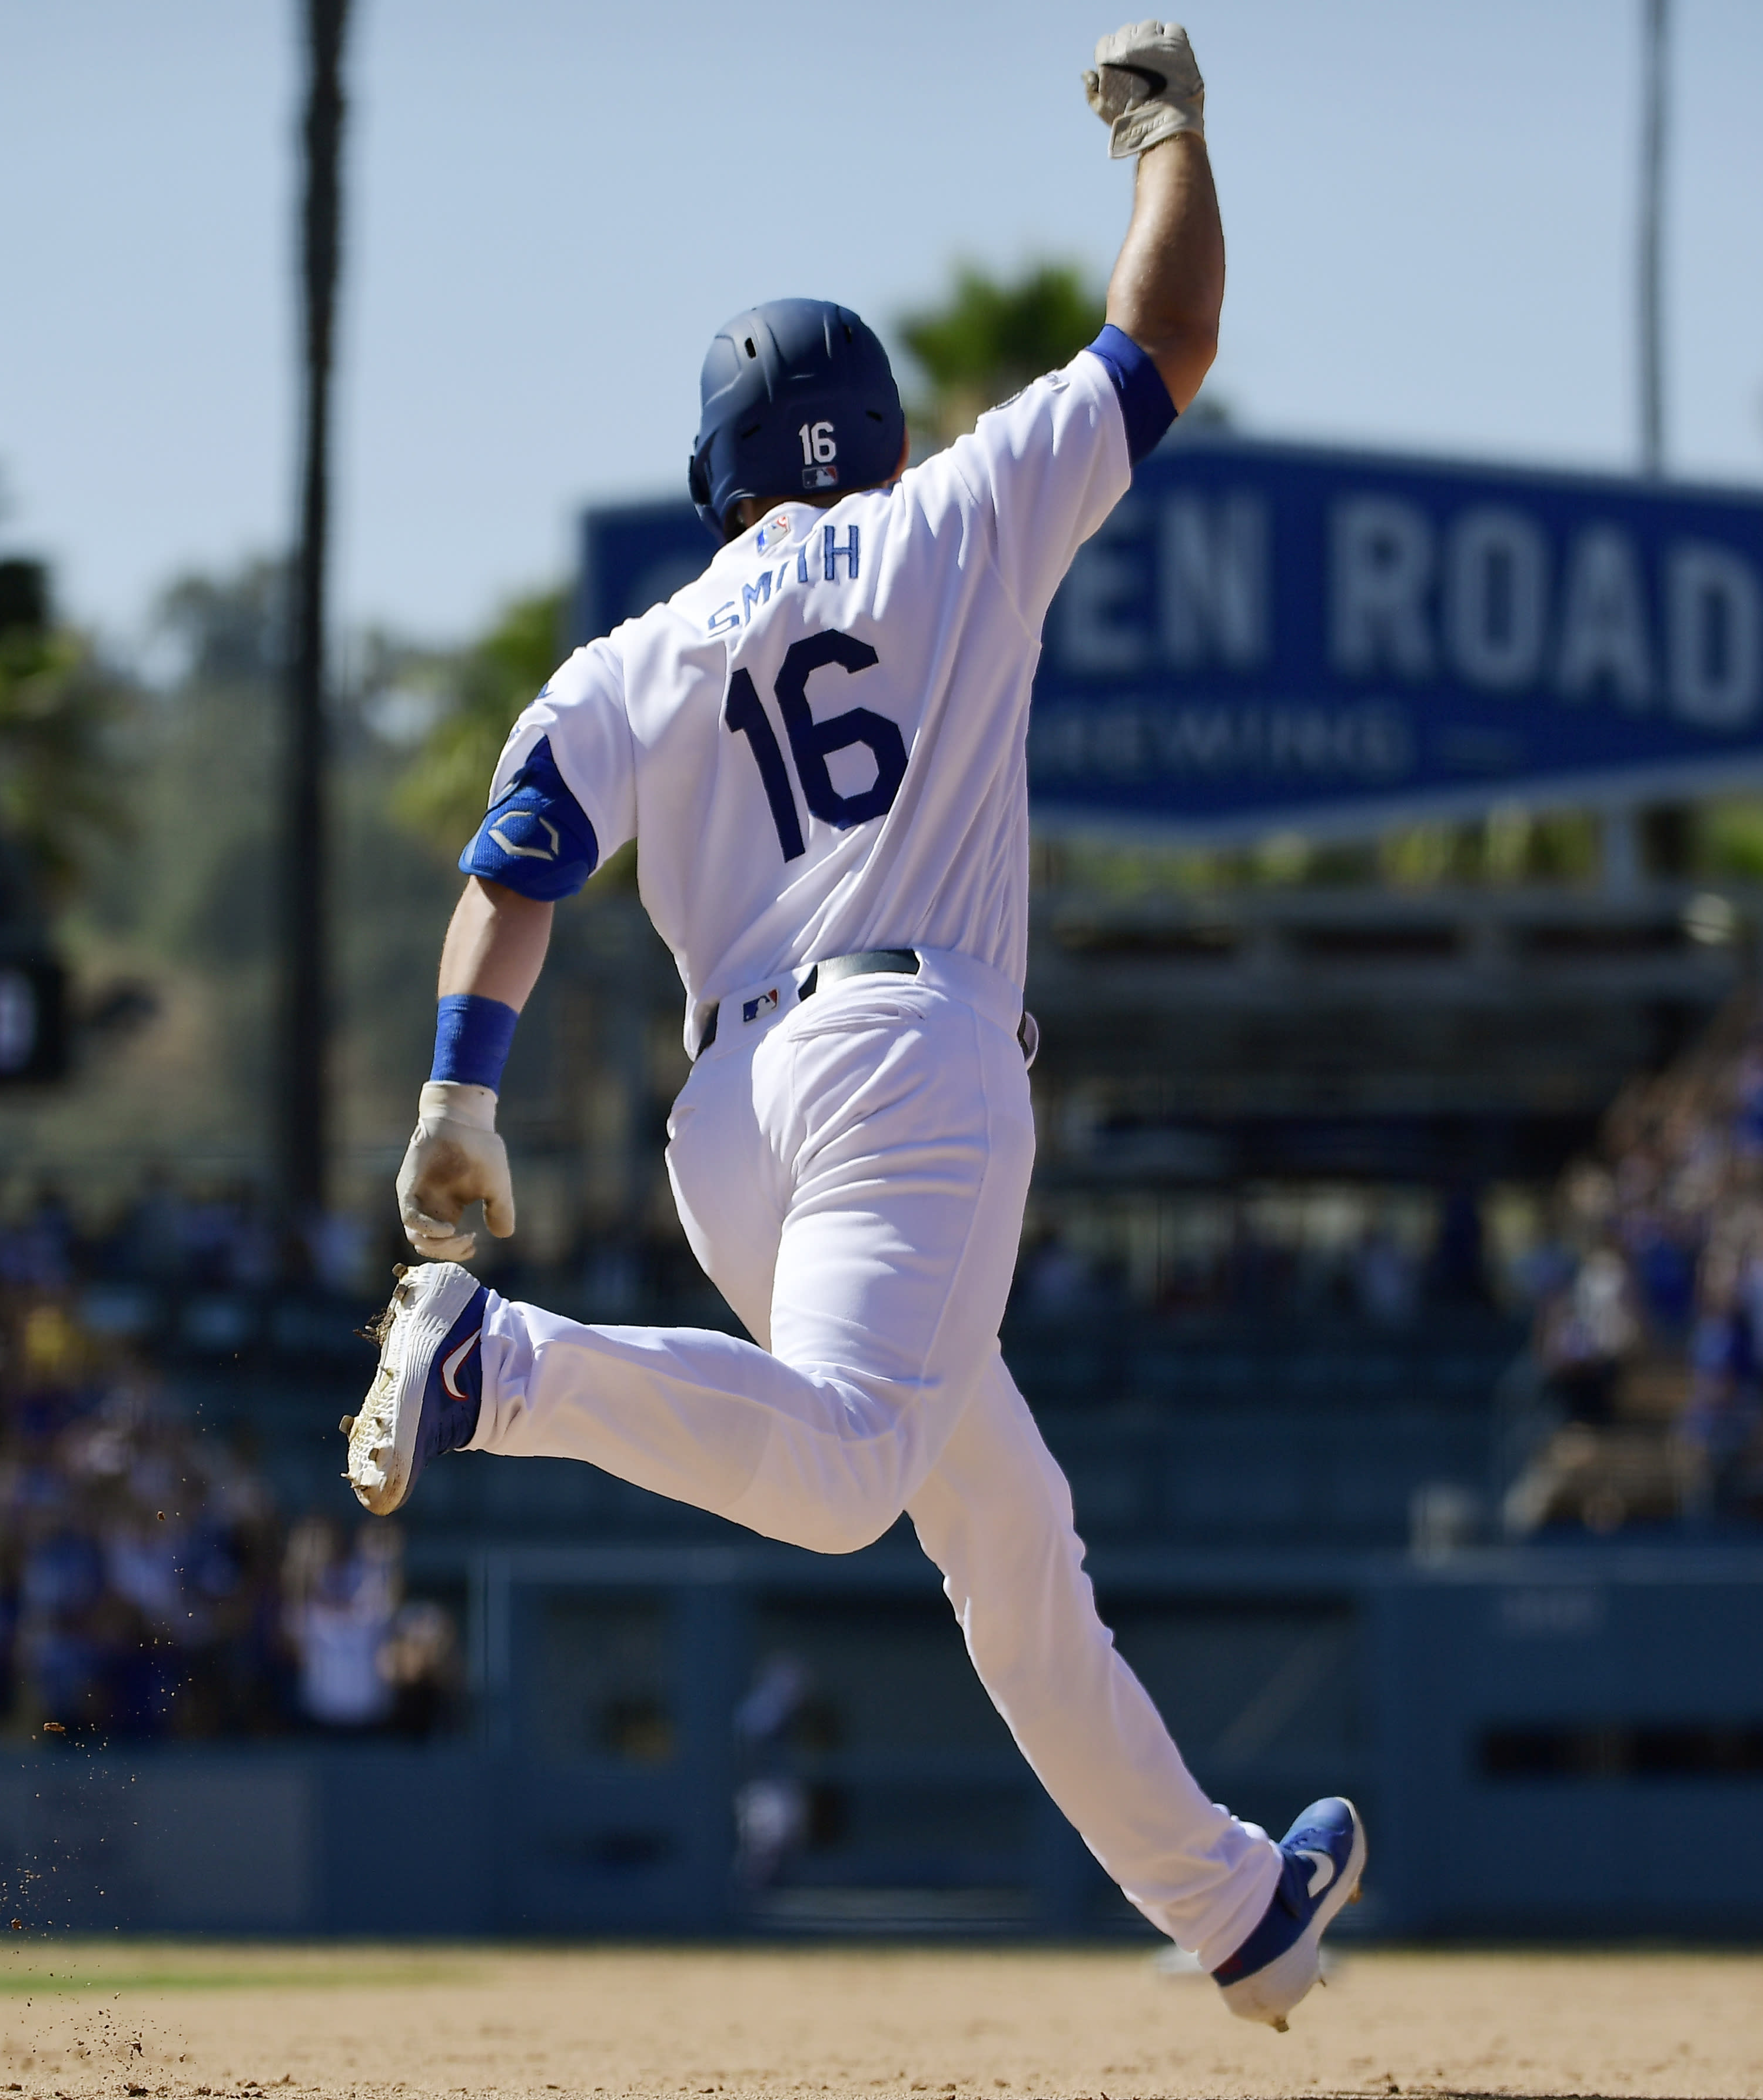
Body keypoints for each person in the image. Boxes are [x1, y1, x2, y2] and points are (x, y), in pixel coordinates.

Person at [340, 23, 1362, 2033]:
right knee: (846, 1476)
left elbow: (515, 869)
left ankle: (1233, 1901)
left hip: (729, 1116)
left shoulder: (630, 650)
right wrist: (1164, 134)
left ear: (715, 480)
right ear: (881, 435)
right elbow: (1171, 324)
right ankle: (501, 1366)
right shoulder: (962, 512)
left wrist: (461, 1091)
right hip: (913, 1054)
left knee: (1004, 1524)